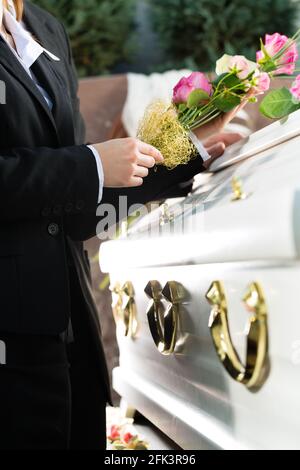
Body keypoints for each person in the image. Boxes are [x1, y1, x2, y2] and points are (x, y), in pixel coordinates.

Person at [0, 0, 244, 450]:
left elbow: (70, 211)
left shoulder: (44, 28)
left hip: (68, 331)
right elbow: (80, 170)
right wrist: (90, 163)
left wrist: (186, 153)